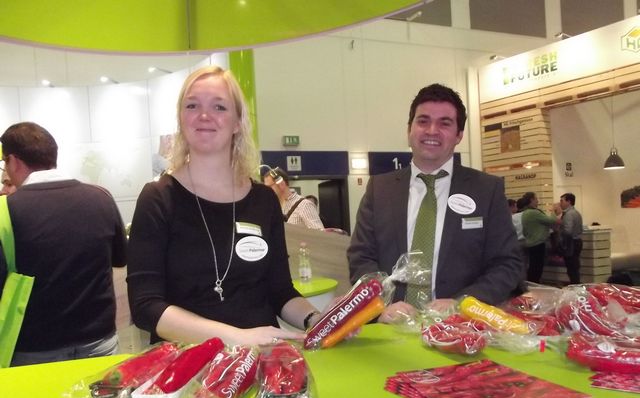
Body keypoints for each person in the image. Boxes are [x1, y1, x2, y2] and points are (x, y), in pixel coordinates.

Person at [127, 66, 321, 346]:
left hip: (261, 359)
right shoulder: (158, 199)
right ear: (181, 118)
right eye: (192, 105)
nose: (204, 115)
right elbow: (146, 307)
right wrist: (237, 337)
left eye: (219, 107)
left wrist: (317, 319)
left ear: (238, 122)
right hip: (189, 361)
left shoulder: (263, 200)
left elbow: (280, 291)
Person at [348, 83, 522, 322]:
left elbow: (507, 263)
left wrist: (463, 303)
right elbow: (361, 257)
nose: (432, 131)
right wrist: (381, 305)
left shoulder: (486, 190)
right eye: (423, 121)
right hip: (391, 327)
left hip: (461, 328)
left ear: (459, 135)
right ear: (409, 129)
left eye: (445, 123)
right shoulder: (380, 189)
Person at [0, 122, 127, 366]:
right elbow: (121, 259)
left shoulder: (6, 210)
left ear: (13, 161)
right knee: (97, 393)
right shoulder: (101, 198)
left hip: (35, 347)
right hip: (99, 340)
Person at [521, 191, 560, 283]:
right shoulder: (534, 213)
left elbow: (525, 231)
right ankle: (534, 285)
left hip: (531, 243)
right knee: (537, 268)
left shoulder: (525, 213)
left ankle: (531, 285)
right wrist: (553, 211)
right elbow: (552, 220)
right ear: (531, 200)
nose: (538, 201)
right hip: (538, 244)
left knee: (533, 266)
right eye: (536, 199)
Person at [558, 192, 583, 284]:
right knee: (574, 266)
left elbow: (568, 231)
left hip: (571, 243)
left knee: (571, 267)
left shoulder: (568, 214)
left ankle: (574, 285)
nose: (560, 203)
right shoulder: (576, 213)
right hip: (577, 241)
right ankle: (575, 284)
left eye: (562, 201)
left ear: (568, 201)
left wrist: (560, 233)